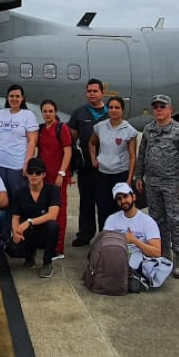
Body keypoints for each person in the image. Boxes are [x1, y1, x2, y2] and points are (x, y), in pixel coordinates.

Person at [135, 94, 179, 279]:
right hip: (152, 183)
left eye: (163, 106)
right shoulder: (148, 130)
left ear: (170, 109)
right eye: (156, 107)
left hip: (173, 184)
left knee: (176, 221)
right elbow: (142, 154)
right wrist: (139, 176)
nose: (159, 109)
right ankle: (163, 254)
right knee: (156, 220)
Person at [70, 79, 109, 246]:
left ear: (102, 93)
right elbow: (72, 138)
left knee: (105, 202)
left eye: (95, 91)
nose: (92, 94)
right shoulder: (79, 113)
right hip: (86, 166)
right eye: (89, 91)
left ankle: (105, 235)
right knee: (86, 201)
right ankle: (85, 234)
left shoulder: (111, 112)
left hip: (107, 167)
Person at [7, 158, 62, 278]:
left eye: (37, 172)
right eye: (30, 172)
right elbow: (15, 217)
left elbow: (53, 215)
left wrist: (29, 222)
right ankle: (29, 256)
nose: (33, 175)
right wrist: (16, 232)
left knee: (53, 226)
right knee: (11, 249)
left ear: (43, 174)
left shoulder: (52, 190)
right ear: (26, 173)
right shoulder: (20, 193)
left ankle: (47, 262)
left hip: (44, 231)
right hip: (28, 233)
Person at [89, 96, 138, 226]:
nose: (113, 110)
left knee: (120, 208)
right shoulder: (100, 127)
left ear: (122, 110)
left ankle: (119, 239)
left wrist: (129, 179)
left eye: (117, 107)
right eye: (111, 107)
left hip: (120, 174)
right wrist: (94, 159)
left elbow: (133, 156)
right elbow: (92, 143)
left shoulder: (129, 131)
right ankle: (104, 239)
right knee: (103, 207)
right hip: (102, 174)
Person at [103, 182, 163, 287]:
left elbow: (157, 252)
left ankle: (131, 277)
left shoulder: (147, 221)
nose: (123, 201)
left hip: (138, 260)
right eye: (119, 199)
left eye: (125, 196)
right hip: (117, 257)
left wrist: (135, 241)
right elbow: (103, 245)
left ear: (133, 196)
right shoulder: (112, 219)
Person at [36, 99, 73, 256]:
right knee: (45, 209)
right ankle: (47, 242)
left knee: (59, 211)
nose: (48, 114)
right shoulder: (41, 129)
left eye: (51, 111)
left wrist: (62, 173)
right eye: (45, 111)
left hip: (58, 177)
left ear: (55, 112)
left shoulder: (61, 128)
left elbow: (68, 152)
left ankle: (58, 248)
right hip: (44, 177)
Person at [0, 84, 39, 197]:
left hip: (17, 166)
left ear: (22, 98)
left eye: (17, 96)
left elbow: (32, 141)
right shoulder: (1, 113)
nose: (14, 99)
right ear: (7, 97)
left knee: (18, 197)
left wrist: (27, 163)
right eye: (11, 96)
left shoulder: (28, 115)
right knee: (0, 196)